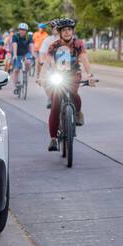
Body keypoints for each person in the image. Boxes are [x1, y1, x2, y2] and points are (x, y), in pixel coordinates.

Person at [45, 18, 96, 150]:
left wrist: (89, 75)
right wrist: (44, 76)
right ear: (60, 32)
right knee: (55, 103)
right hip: (59, 75)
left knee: (73, 92)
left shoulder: (78, 44)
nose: (67, 32)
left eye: (69, 29)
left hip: (74, 74)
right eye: (64, 30)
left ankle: (78, 112)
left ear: (72, 31)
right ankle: (53, 139)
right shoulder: (54, 46)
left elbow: (84, 59)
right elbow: (49, 60)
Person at [10, 22, 33, 91]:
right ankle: (16, 84)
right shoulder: (15, 36)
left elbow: (31, 45)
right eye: (21, 29)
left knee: (28, 62)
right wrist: (14, 55)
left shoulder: (29, 36)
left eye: (24, 30)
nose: (22, 31)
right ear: (19, 30)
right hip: (17, 54)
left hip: (26, 53)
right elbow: (14, 45)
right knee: (16, 70)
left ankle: (26, 72)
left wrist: (33, 54)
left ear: (26, 31)